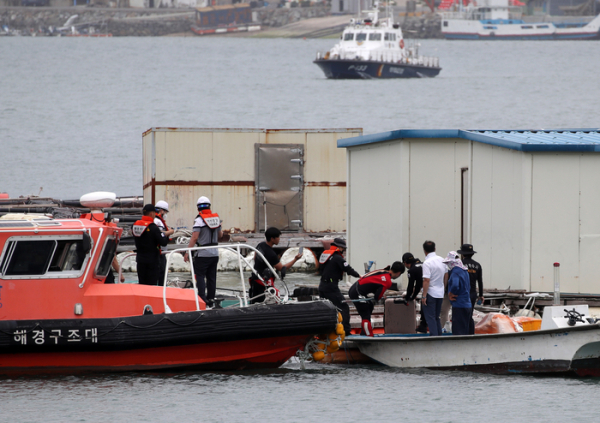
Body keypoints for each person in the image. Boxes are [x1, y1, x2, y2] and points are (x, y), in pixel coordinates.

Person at [183, 196, 222, 308]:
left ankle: (201, 299)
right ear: (209, 206)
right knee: (212, 277)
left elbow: (194, 238)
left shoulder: (199, 220)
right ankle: (211, 298)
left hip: (203, 253)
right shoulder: (216, 219)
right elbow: (220, 235)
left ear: (198, 208)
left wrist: (187, 252)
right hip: (215, 253)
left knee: (200, 275)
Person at [349, 262, 405, 336]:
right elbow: (377, 297)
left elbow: (373, 284)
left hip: (355, 288)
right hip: (357, 292)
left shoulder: (384, 271)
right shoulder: (388, 281)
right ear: (399, 273)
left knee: (370, 306)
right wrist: (381, 296)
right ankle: (368, 335)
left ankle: (364, 332)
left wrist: (380, 294)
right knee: (365, 313)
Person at [319, 238, 361, 336]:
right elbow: (348, 269)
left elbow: (321, 269)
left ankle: (327, 332)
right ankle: (346, 332)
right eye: (343, 249)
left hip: (322, 286)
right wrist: (359, 276)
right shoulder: (338, 258)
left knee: (328, 309)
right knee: (344, 307)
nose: (344, 251)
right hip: (331, 287)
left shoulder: (325, 255)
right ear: (339, 247)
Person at [249, 227, 302, 304]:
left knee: (255, 300)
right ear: (272, 239)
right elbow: (282, 268)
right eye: (278, 237)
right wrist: (295, 259)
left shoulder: (260, 245)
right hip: (263, 281)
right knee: (263, 301)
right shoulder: (271, 254)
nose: (279, 239)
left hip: (255, 278)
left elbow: (255, 257)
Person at [132, 204, 169, 286]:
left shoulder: (135, 225)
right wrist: (167, 234)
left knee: (142, 283)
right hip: (152, 261)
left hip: (140, 259)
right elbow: (163, 242)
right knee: (151, 284)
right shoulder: (153, 227)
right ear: (152, 214)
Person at [421, 240, 448, 336]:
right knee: (437, 317)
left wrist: (424, 296)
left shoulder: (426, 263)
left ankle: (434, 337)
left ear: (424, 250)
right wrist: (443, 288)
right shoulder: (442, 260)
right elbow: (446, 275)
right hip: (440, 292)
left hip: (430, 293)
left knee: (430, 317)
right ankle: (439, 336)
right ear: (435, 249)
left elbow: (426, 280)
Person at [442, 251, 472, 335]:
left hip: (459, 304)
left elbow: (455, 285)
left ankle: (458, 347)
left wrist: (451, 293)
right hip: (467, 303)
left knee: (458, 331)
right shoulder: (464, 271)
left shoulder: (455, 271)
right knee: (465, 330)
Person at [457, 243, 484, 335]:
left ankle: (463, 334)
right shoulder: (477, 265)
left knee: (461, 315)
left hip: (462, 293)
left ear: (462, 254)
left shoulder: (460, 264)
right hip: (473, 293)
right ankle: (471, 334)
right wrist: (481, 295)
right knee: (469, 315)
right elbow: (480, 281)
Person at [402, 252, 427, 333]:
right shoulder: (422, 264)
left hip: (427, 290)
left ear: (405, 263)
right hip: (436, 288)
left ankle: (424, 327)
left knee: (425, 307)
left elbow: (411, 286)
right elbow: (419, 284)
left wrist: (409, 298)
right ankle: (423, 326)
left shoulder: (412, 270)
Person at [154, 200, 174, 286]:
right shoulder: (158, 221)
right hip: (160, 252)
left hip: (160, 252)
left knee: (160, 274)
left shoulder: (155, 220)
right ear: (162, 211)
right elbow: (160, 234)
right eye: (165, 212)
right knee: (161, 275)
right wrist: (170, 231)